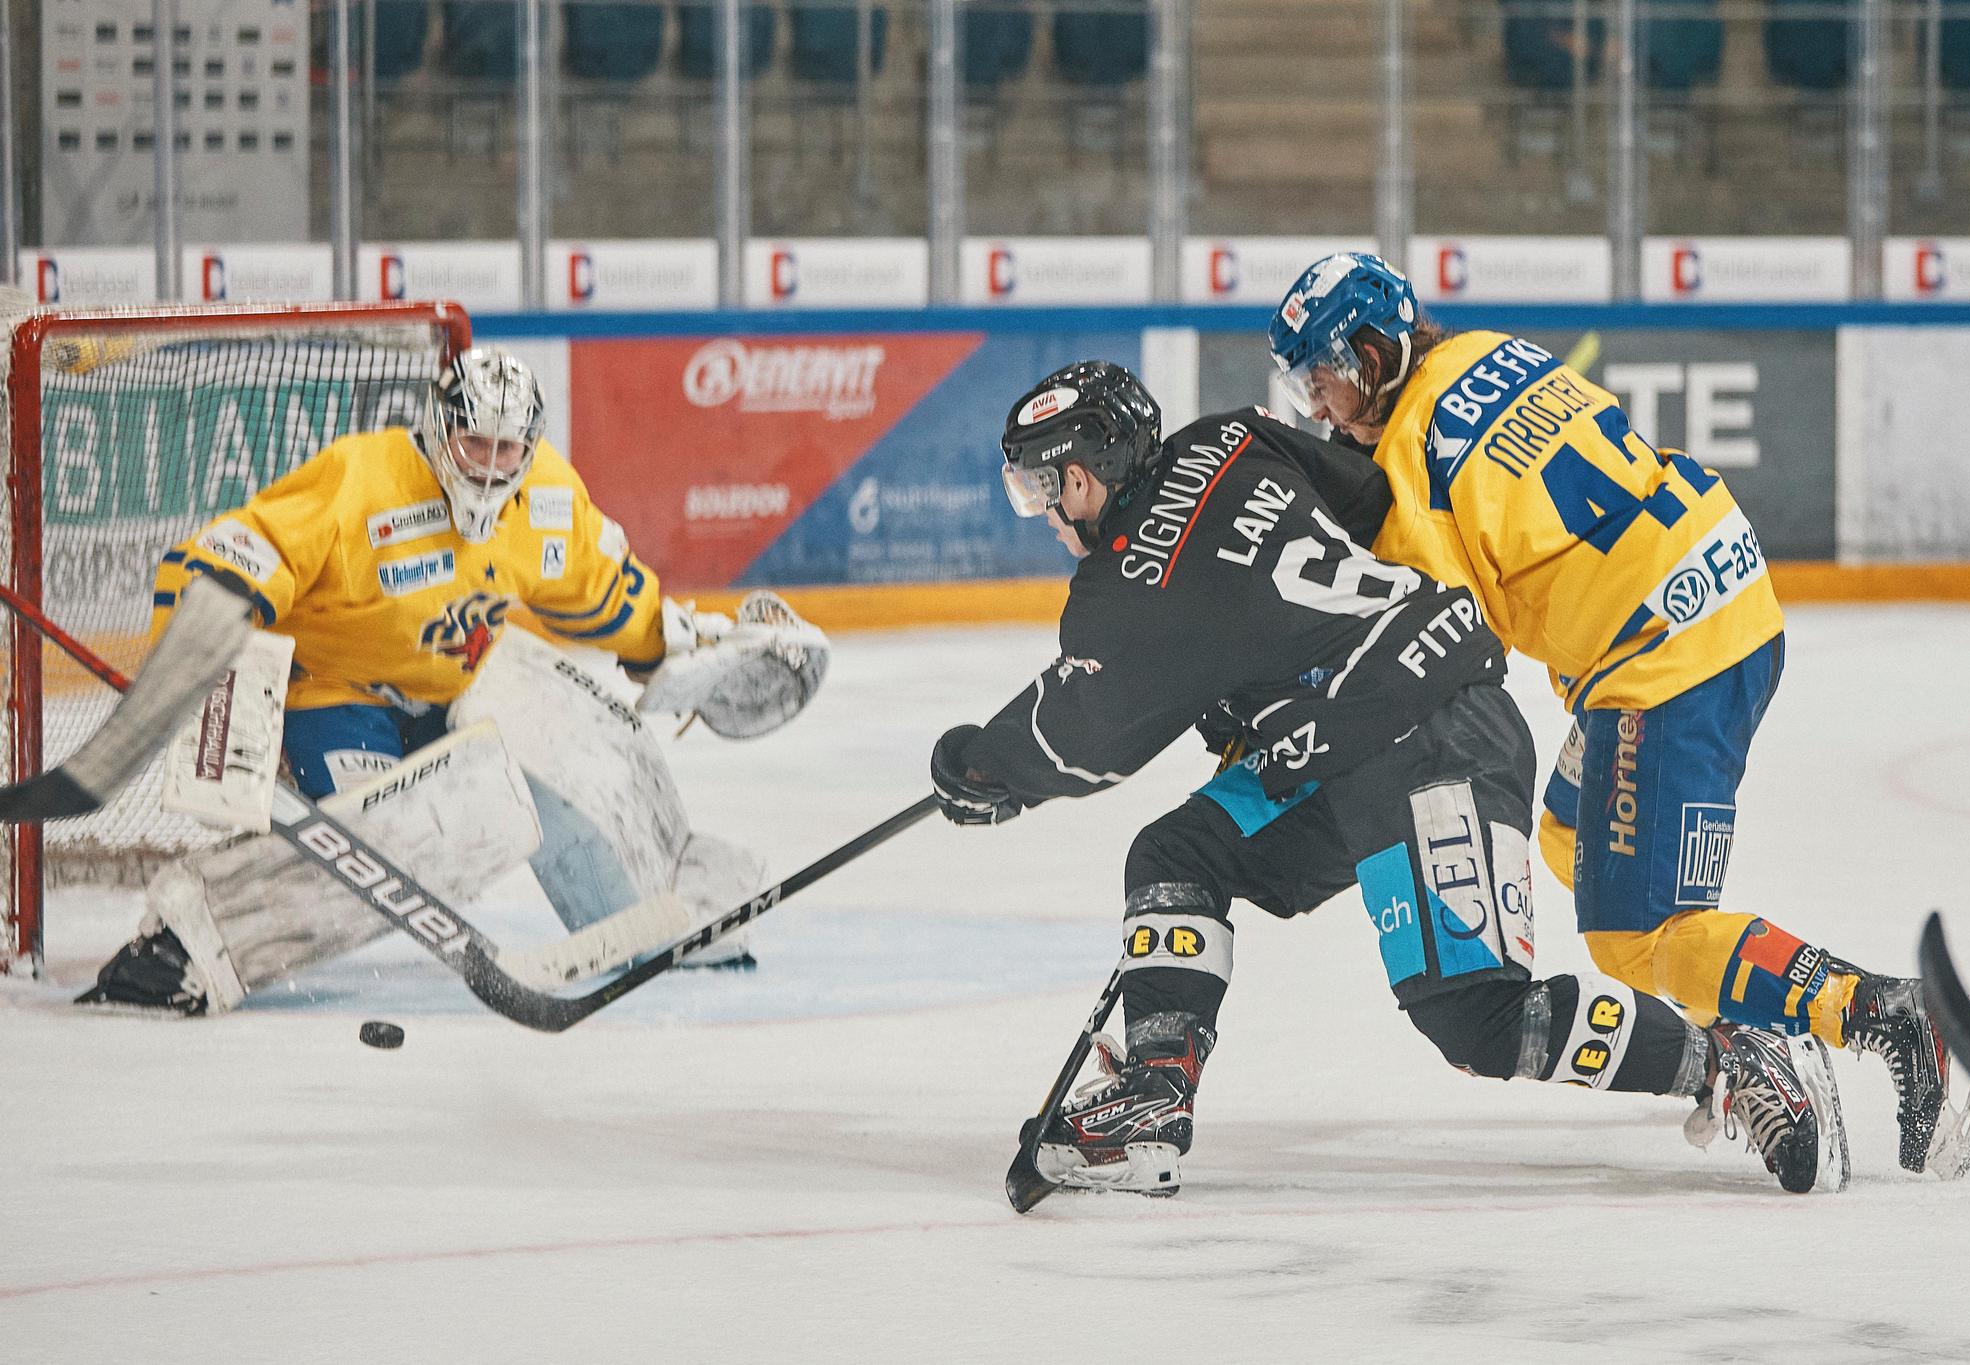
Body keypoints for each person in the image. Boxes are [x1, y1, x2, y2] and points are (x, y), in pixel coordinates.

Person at [931, 359, 1848, 1197]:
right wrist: (1279, 656)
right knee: (1179, 853)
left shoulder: (1119, 594)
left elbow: (1080, 740)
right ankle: (1153, 1096)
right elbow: (1369, 499)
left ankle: (1731, 1059)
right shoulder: (1229, 437)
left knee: (1479, 1018)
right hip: (1366, 720)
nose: (1046, 513)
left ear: (1083, 477)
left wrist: (978, 765)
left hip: (1428, 734)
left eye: (1043, 488)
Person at [1265, 251, 1970, 1179]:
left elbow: (1444, 640)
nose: (1319, 409)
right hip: (1720, 585)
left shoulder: (1409, 471)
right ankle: (1748, 1030)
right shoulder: (1485, 352)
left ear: (1372, 353)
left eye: (1324, 380)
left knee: (1636, 936)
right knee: (1568, 835)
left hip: (1660, 663)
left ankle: (1890, 1017)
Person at [80, 345, 828, 1012]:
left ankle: (660, 902)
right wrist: (206, 640)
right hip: (340, 699)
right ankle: (188, 943)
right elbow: (244, 550)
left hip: (461, 689)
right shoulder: (362, 477)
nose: (491, 465)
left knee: (578, 743)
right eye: (476, 442)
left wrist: (673, 642)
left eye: (509, 448)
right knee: (407, 839)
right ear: (442, 428)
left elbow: (602, 588)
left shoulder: (547, 497)